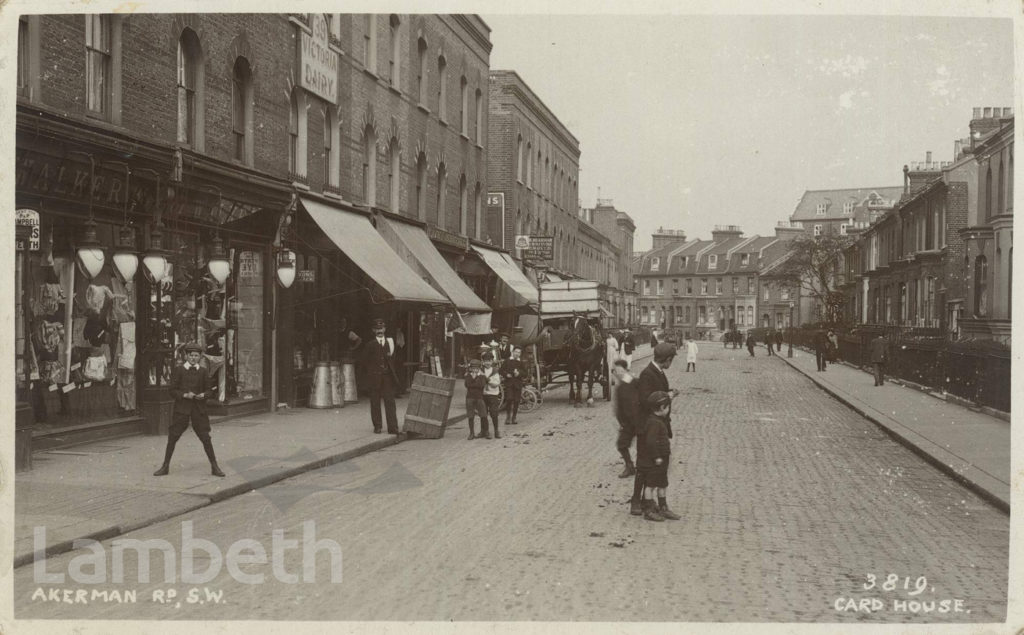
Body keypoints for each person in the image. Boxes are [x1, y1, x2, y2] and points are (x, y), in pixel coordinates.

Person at [154, 342, 225, 477]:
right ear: (186, 356)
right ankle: (165, 466)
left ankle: (215, 467)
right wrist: (185, 395)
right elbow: (172, 390)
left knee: (205, 437)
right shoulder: (179, 370)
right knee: (173, 436)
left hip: (199, 410)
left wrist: (204, 395)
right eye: (191, 355)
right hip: (182, 409)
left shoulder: (203, 371)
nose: (193, 358)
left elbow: (210, 390)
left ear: (200, 357)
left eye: (196, 356)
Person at [634, 343, 679, 516]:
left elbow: (655, 393)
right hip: (648, 427)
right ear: (667, 359)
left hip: (656, 424)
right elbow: (646, 400)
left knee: (654, 469)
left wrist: (667, 393)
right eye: (671, 359)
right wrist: (666, 397)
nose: (671, 363)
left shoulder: (657, 372)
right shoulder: (647, 373)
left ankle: (656, 505)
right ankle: (637, 502)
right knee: (644, 467)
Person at [636, 391, 680, 522]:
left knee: (662, 483)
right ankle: (649, 510)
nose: (668, 410)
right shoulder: (654, 423)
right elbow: (650, 441)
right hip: (655, 461)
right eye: (667, 407)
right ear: (662, 408)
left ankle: (663, 507)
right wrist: (656, 457)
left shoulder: (657, 420)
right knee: (650, 485)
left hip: (662, 460)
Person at [364, 318, 400, 434]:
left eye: (381, 328)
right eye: (377, 329)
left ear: (385, 329)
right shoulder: (370, 345)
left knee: (390, 402)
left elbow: (394, 360)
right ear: (373, 330)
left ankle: (393, 427)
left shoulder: (390, 343)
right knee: (375, 402)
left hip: (387, 377)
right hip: (374, 378)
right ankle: (377, 426)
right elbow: (365, 362)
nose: (380, 331)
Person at [612, 359, 641, 483]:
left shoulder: (631, 382)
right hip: (627, 422)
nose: (617, 372)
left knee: (623, 444)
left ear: (624, 369)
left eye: (619, 370)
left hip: (634, 421)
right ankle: (630, 466)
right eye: (615, 370)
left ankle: (631, 467)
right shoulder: (620, 385)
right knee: (622, 445)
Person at [501, 346, 526, 425]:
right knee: (509, 399)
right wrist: (506, 375)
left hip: (518, 384)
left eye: (519, 352)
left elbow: (525, 373)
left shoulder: (521, 362)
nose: (517, 354)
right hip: (509, 383)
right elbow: (501, 370)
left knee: (517, 401)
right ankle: (508, 416)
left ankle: (514, 417)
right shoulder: (507, 361)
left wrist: (519, 373)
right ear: (513, 352)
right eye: (516, 352)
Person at [464, 359, 487, 440]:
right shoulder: (468, 375)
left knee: (483, 414)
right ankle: (471, 433)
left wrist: (473, 380)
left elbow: (481, 385)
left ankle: (484, 431)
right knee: (470, 416)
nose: (475, 370)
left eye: (476, 368)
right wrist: (474, 380)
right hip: (470, 397)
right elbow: (467, 385)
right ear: (470, 368)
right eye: (473, 368)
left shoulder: (482, 376)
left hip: (479, 397)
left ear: (479, 368)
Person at [481, 355, 502, 439]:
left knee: (494, 413)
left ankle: (496, 431)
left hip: (493, 395)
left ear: (492, 361)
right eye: (485, 361)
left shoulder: (495, 371)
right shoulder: (480, 370)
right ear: (482, 361)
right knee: (483, 414)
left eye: (489, 361)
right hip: (483, 395)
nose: (487, 363)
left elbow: (496, 384)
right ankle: (486, 431)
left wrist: (487, 380)